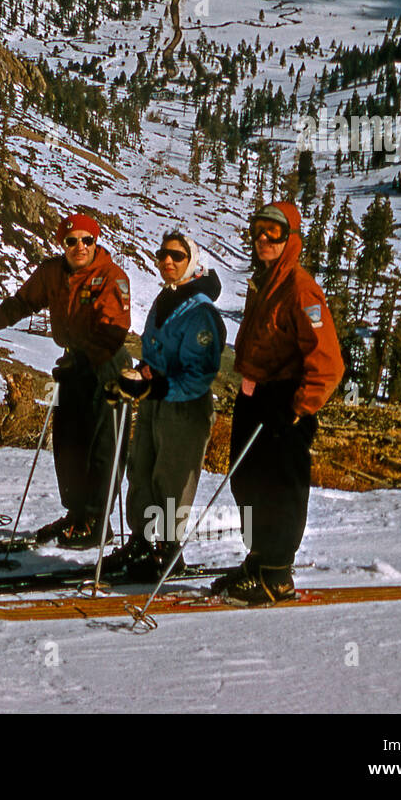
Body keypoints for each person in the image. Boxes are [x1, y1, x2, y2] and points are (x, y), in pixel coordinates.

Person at [0, 214, 132, 547]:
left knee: (102, 445)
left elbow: (114, 327)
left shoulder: (111, 276)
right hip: (73, 363)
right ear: (63, 245)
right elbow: (22, 303)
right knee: (68, 444)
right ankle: (76, 515)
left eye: (87, 240)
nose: (80, 247)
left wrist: (88, 362)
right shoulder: (52, 273)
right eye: (72, 241)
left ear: (96, 242)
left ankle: (97, 521)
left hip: (106, 364)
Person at [211, 201, 344, 605]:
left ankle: (277, 575)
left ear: (290, 239)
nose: (263, 240)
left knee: (280, 489)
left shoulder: (300, 288)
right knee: (247, 481)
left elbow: (328, 361)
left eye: (273, 233)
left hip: (285, 401)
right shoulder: (264, 280)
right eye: (257, 232)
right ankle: (259, 557)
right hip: (255, 397)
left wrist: (299, 407)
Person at [99, 230, 226, 582]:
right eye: (162, 255)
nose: (167, 261)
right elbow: (155, 355)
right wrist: (135, 379)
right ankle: (142, 541)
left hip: (185, 407)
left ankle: (167, 549)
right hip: (157, 401)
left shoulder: (201, 312)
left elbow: (199, 375)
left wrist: (153, 388)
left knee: (171, 478)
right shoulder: (165, 298)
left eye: (177, 256)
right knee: (142, 471)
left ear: (192, 262)